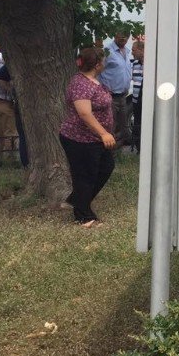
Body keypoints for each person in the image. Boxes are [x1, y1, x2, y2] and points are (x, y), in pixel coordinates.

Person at [60, 47, 116, 227]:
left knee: (106, 167)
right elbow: (84, 113)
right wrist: (104, 133)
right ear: (98, 64)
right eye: (103, 61)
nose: (105, 63)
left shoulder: (92, 81)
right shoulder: (80, 84)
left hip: (94, 139)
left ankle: (76, 200)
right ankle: (83, 216)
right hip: (80, 138)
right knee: (85, 175)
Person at [98, 32, 132, 149]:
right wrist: (103, 89)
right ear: (114, 35)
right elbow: (98, 70)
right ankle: (107, 154)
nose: (123, 37)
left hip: (123, 96)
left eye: (126, 36)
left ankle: (115, 153)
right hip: (110, 96)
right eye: (121, 35)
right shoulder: (107, 51)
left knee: (123, 128)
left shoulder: (127, 51)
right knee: (109, 126)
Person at [130, 41, 145, 152]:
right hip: (135, 100)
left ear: (141, 50)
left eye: (134, 50)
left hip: (146, 101)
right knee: (137, 123)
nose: (132, 52)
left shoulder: (150, 64)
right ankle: (139, 148)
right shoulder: (134, 64)